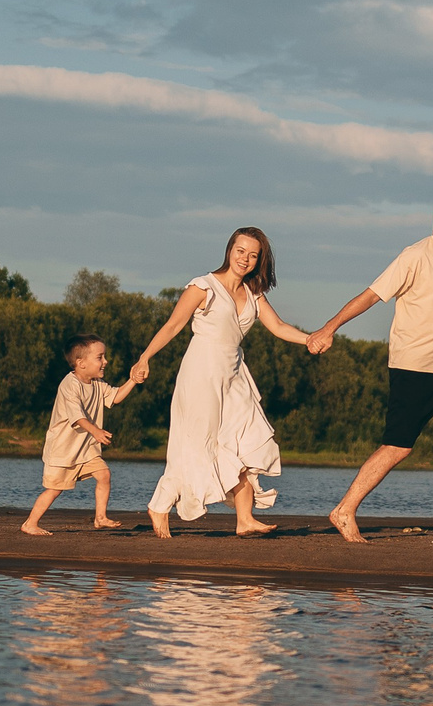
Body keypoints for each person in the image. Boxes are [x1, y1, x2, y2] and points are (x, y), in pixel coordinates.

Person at [305, 191, 433, 544]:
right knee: (398, 446)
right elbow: (370, 295)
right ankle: (344, 510)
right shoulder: (414, 257)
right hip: (413, 367)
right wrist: (328, 328)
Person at [130, 227, 316, 539]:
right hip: (202, 371)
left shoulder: (255, 295)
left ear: (260, 261)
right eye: (240, 251)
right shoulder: (204, 286)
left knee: (246, 437)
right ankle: (160, 504)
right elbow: (174, 324)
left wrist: (310, 339)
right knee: (195, 441)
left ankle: (245, 519)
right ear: (230, 250)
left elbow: (280, 326)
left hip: (235, 374)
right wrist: (145, 357)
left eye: (253, 255)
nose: (245, 258)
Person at [21, 335, 133, 535]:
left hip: (85, 448)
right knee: (55, 490)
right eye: (100, 357)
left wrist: (133, 380)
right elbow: (77, 417)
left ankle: (100, 518)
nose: (105, 361)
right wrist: (96, 431)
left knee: (104, 474)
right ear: (81, 363)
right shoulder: (69, 385)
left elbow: (115, 397)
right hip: (63, 449)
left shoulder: (97, 384)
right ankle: (30, 523)